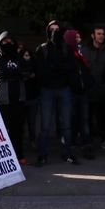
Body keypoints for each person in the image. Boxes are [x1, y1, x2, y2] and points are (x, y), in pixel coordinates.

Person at [35, 20, 77, 166]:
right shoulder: (42, 49)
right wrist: (55, 69)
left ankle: (68, 154)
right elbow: (40, 70)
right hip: (47, 90)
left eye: (57, 30)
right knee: (45, 125)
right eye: (51, 30)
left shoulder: (67, 49)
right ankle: (42, 155)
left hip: (63, 89)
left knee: (66, 124)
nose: (54, 33)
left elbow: (71, 68)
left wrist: (55, 69)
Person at [0, 31, 30, 161]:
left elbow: (27, 72)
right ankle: (1, 159)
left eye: (10, 41)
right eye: (4, 41)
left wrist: (14, 72)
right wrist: (17, 73)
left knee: (18, 130)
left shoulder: (17, 56)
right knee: (1, 132)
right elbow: (0, 74)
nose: (8, 44)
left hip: (18, 99)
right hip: (1, 101)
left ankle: (19, 156)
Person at [64, 28, 96, 159]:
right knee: (71, 120)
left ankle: (86, 145)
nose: (79, 40)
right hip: (71, 92)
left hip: (82, 92)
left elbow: (84, 71)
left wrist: (88, 82)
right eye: (76, 38)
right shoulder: (67, 54)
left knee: (84, 120)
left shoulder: (80, 53)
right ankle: (70, 146)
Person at [82, 26, 105, 150]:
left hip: (103, 89)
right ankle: (87, 142)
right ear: (92, 35)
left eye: (103, 33)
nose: (101, 36)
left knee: (103, 118)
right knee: (87, 117)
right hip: (88, 90)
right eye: (98, 33)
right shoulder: (85, 51)